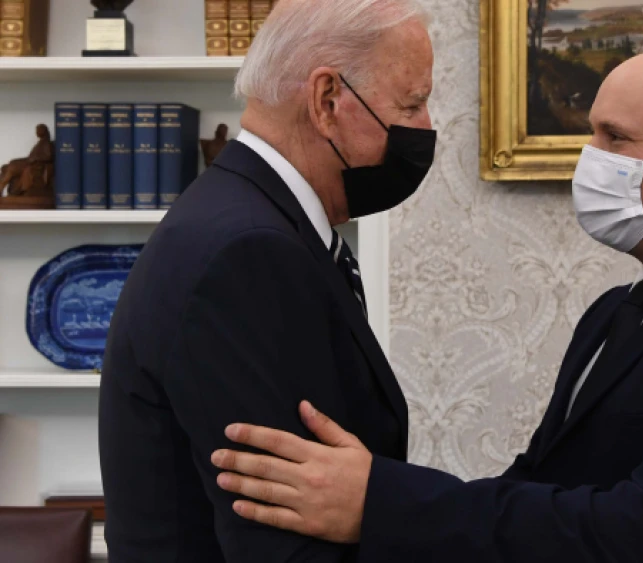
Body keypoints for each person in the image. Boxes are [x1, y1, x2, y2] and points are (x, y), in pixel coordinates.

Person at [210, 48, 643, 562]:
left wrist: (377, 500)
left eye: (616, 138)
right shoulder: (616, 312)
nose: (589, 160)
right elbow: (540, 490)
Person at [97, 0, 434, 561]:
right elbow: (289, 540)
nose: (425, 127)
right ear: (327, 100)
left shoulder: (253, 218)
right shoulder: (249, 252)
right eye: (413, 103)